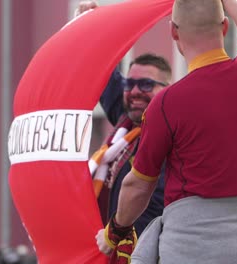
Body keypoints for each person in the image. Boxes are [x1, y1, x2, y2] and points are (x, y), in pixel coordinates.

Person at [96, 0, 237, 263]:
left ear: (174, 32)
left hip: (190, 250)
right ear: (225, 26)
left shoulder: (166, 104)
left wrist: (114, 232)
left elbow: (138, 186)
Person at [76, 2, 172, 237]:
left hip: (151, 251)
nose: (136, 91)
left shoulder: (176, 134)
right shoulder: (125, 120)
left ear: (167, 91)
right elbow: (101, 68)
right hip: (105, 248)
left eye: (147, 84)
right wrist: (90, 26)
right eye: (130, 84)